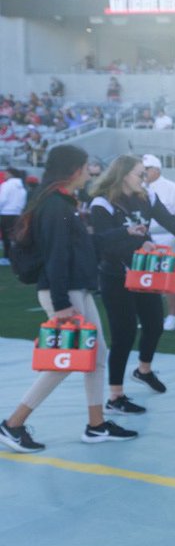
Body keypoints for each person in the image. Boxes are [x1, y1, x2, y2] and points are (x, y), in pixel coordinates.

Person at [0, 145, 138, 452]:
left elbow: (82, 245)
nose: (91, 171)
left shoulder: (58, 202)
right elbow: (57, 256)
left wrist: (124, 234)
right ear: (75, 170)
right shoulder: (56, 206)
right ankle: (13, 423)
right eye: (87, 166)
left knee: (95, 357)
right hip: (64, 293)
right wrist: (62, 303)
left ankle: (96, 425)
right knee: (68, 361)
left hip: (73, 290)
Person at [89, 155, 175, 412]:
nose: (145, 178)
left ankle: (143, 370)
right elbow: (104, 243)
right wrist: (138, 242)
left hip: (144, 273)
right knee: (123, 334)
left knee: (154, 324)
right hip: (115, 276)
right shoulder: (102, 203)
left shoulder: (146, 196)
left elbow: (167, 218)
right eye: (140, 173)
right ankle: (115, 397)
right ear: (124, 174)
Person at [143, 155, 175, 331]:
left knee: (171, 279)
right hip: (147, 240)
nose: (144, 172)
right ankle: (150, 315)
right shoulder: (141, 188)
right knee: (148, 280)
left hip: (168, 238)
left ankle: (172, 316)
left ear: (157, 169)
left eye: (147, 169)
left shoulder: (172, 187)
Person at [0, 164, 27, 265]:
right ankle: (17, 257)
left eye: (6, 173)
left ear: (11, 174)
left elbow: (2, 199)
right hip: (17, 213)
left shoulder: (6, 185)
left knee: (6, 237)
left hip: (6, 213)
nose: (4, 175)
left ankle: (7, 258)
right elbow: (23, 201)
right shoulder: (22, 186)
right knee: (15, 237)